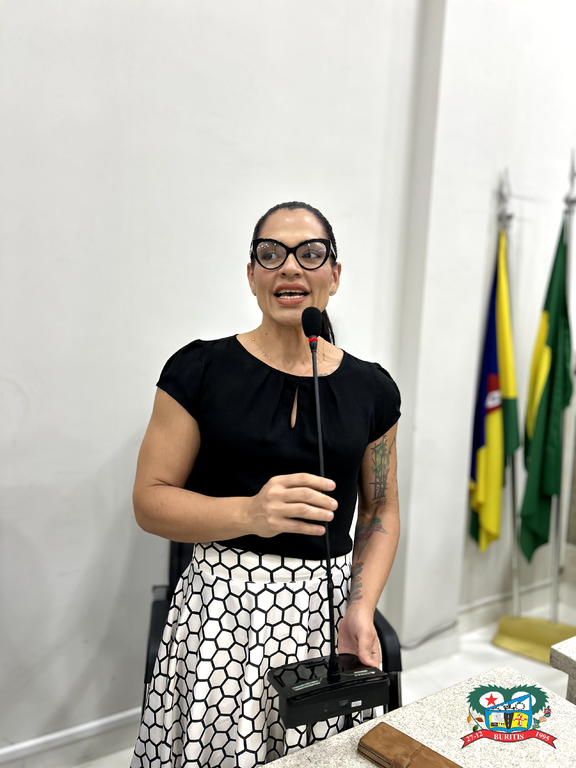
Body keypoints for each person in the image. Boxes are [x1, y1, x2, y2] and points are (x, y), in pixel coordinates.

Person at [130, 202, 400, 768]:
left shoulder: (372, 389)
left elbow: (380, 510)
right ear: (252, 275)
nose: (290, 267)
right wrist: (250, 514)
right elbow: (150, 501)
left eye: (311, 254)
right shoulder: (198, 370)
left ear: (334, 275)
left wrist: (362, 607)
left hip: (327, 614)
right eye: (271, 254)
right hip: (219, 612)